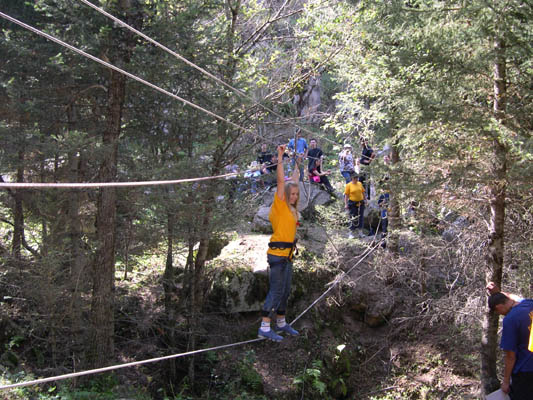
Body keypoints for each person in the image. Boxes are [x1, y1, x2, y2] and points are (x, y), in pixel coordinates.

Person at [258, 144, 301, 342]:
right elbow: (281, 181)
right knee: (276, 290)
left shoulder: (292, 209)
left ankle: (281, 323)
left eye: (295, 195)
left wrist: (298, 163)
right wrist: (280, 157)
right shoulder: (280, 205)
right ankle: (264, 327)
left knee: (285, 290)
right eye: (290, 194)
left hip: (288, 255)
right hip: (277, 255)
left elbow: (295, 180)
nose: (293, 196)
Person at [488, 292, 533, 399]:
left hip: (525, 371)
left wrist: (506, 381)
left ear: (498, 307)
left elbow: (510, 356)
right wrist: (498, 291)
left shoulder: (510, 319)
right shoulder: (530, 303)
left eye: (497, 312)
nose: (500, 314)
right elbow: (517, 298)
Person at [344, 172, 366, 239]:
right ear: (352, 178)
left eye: (357, 178)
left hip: (361, 203)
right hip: (352, 203)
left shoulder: (359, 183)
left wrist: (366, 200)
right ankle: (350, 233)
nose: (356, 179)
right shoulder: (348, 185)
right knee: (352, 217)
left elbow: (363, 192)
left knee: (361, 217)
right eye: (355, 178)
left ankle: (360, 233)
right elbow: (346, 196)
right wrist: (346, 204)